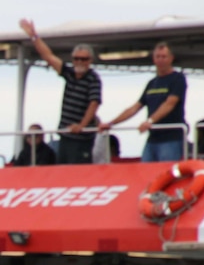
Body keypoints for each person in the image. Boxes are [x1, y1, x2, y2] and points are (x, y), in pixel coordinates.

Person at [19, 19, 101, 165]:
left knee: (78, 172)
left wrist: (82, 126)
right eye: (77, 59)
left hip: (81, 139)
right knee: (62, 170)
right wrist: (34, 36)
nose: (80, 62)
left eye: (84, 59)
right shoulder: (69, 74)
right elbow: (49, 57)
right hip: (65, 135)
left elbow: (94, 104)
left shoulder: (93, 79)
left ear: (90, 61)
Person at [98, 42, 188, 162]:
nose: (161, 60)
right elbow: (135, 107)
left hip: (171, 138)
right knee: (145, 170)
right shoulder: (152, 83)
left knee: (166, 173)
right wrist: (111, 123)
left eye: (164, 56)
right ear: (154, 59)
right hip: (153, 138)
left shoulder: (178, 79)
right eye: (158, 57)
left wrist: (150, 121)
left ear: (171, 58)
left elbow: (170, 103)